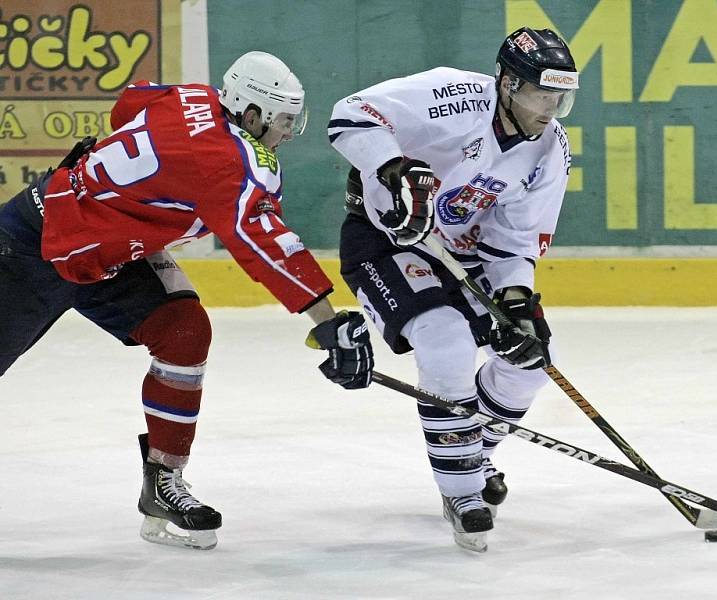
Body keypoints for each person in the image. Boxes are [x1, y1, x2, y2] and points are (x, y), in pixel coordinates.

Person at [0, 51, 374, 550]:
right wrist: (327, 322)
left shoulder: (193, 96)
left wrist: (134, 199)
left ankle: (162, 481)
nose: (288, 133)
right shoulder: (228, 162)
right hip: (32, 246)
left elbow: (128, 104)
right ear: (252, 113)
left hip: (105, 250)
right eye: (284, 121)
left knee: (184, 331)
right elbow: (264, 242)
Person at [327, 27, 578, 552]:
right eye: (541, 94)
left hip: (466, 254)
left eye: (561, 98)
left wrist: (516, 301)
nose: (551, 109)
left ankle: (469, 447)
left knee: (529, 361)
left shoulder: (549, 149)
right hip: (388, 242)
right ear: (508, 83)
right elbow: (350, 114)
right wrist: (392, 167)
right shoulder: (453, 96)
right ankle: (462, 488)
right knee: (446, 342)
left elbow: (514, 239)